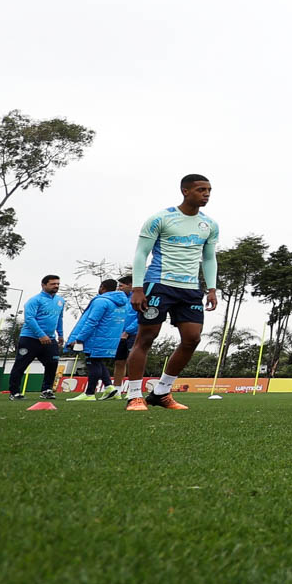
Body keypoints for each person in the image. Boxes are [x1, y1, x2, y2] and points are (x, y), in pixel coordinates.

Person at [122, 174, 219, 411]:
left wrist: (212, 288)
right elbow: (140, 254)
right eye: (200, 189)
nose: (206, 194)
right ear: (185, 191)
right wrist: (137, 288)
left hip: (190, 289)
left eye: (209, 190)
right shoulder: (161, 218)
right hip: (159, 284)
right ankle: (134, 395)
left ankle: (162, 392)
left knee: (192, 339)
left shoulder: (210, 225)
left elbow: (209, 258)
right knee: (146, 337)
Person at [65, 278, 130, 400]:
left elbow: (91, 321)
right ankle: (110, 388)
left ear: (102, 287)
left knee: (93, 362)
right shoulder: (123, 303)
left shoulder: (101, 301)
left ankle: (89, 393)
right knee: (98, 361)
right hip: (110, 338)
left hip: (95, 337)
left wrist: (80, 338)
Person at [7, 274, 65, 401]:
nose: (56, 286)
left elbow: (59, 318)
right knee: (21, 365)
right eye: (53, 284)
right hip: (30, 339)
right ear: (43, 285)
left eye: (57, 284)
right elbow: (29, 319)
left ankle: (46, 390)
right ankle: (14, 392)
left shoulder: (60, 301)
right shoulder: (34, 300)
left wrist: (60, 334)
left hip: (50, 339)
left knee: (52, 364)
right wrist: (41, 335)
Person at [102, 275, 138, 400]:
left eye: (121, 286)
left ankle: (133, 390)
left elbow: (140, 317)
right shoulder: (120, 299)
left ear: (131, 285)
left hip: (134, 334)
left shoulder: (138, 297)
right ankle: (116, 390)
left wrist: (128, 331)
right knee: (119, 361)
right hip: (119, 334)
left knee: (133, 361)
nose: (119, 288)